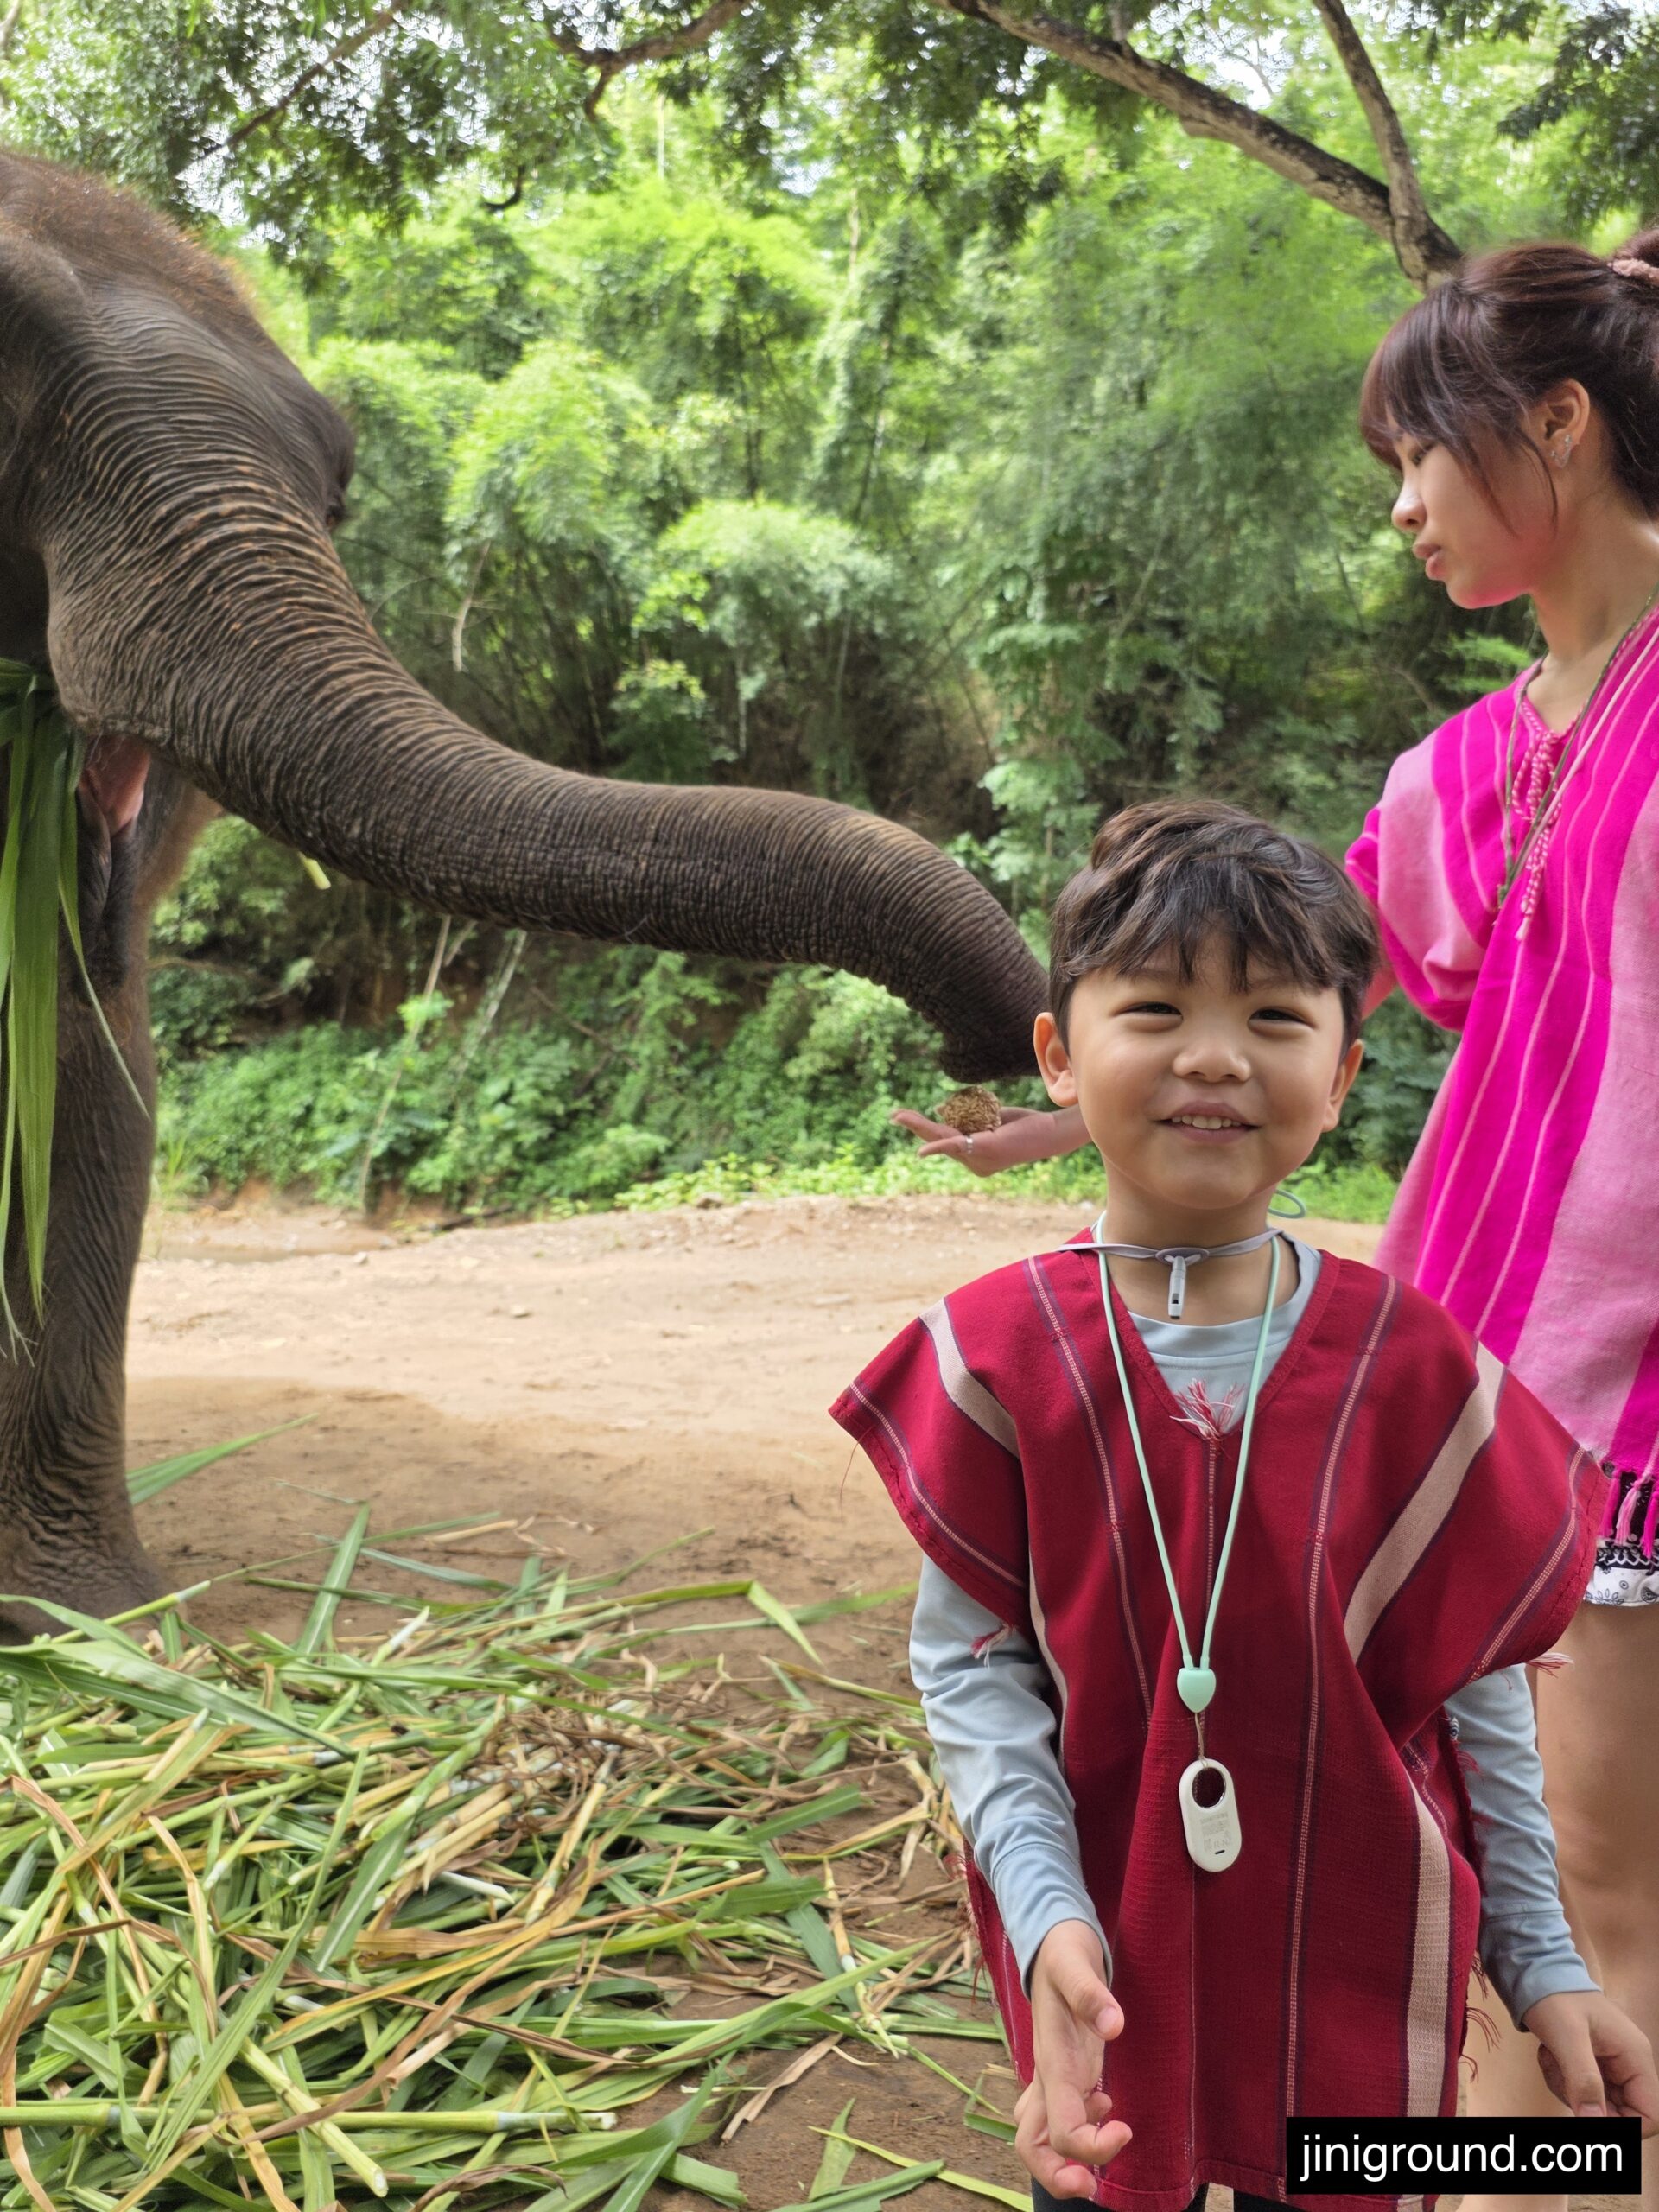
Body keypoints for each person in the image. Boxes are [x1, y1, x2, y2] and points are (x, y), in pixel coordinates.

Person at [897, 233, 1659, 2212]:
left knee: (1579, 1894)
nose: (1403, 505)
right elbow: (1260, 960)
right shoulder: (1473, 761)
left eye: (1422, 452)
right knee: (1437, 1857)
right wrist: (1059, 1105)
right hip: (1468, 1358)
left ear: (1557, 429)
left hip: (1622, 1405)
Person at [843, 802, 1656, 2212]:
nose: (1214, 1056)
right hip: (1110, 1983)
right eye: (1155, 1007)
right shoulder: (992, 1359)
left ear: (1340, 1076)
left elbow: (1471, 1693)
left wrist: (1545, 1966)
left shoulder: (1421, 1373)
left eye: (1275, 1018)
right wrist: (1047, 1926)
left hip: (1360, 1986)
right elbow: (973, 1677)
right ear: (1057, 1054)